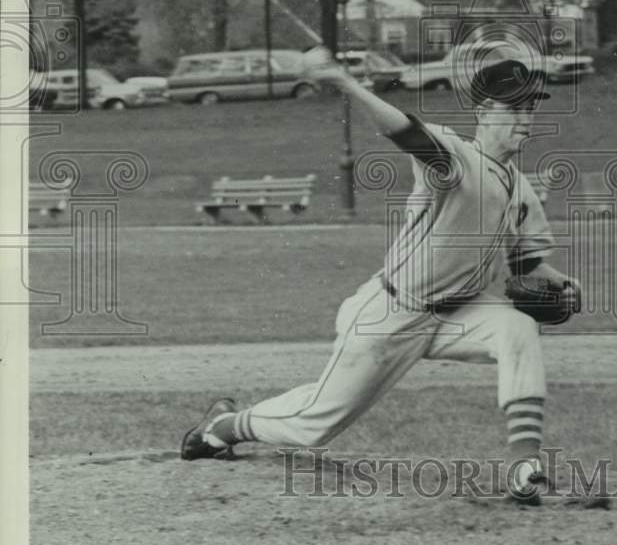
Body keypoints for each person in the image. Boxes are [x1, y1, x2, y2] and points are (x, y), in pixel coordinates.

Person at [181, 47, 580, 504]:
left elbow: (527, 265)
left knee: (517, 328)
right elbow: (407, 134)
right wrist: (348, 84)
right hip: (390, 314)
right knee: (315, 425)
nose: (526, 117)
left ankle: (524, 467)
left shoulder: (521, 189)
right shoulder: (457, 160)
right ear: (485, 111)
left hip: (456, 315)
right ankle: (223, 426)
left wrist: (563, 284)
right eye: (515, 107)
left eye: (531, 107)